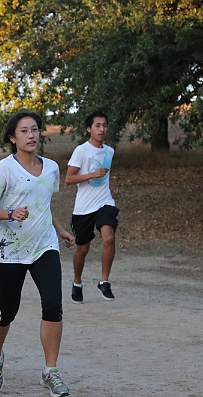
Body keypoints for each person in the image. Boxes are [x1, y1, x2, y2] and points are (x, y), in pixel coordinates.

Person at [0, 111, 75, 397]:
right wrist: (9, 213)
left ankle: (51, 371)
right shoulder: (3, 169)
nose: (32, 135)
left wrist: (59, 230)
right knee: (6, 311)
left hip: (44, 246)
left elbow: (42, 205)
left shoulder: (52, 168)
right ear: (13, 137)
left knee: (53, 306)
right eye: (24, 131)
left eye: (35, 130)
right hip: (10, 251)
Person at [65, 111, 120, 302]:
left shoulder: (109, 151)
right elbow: (69, 179)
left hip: (104, 202)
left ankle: (104, 281)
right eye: (97, 125)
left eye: (104, 125)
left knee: (109, 238)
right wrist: (92, 175)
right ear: (89, 129)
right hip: (83, 208)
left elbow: (104, 176)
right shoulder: (81, 151)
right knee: (82, 249)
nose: (102, 129)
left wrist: (110, 187)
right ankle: (77, 282)